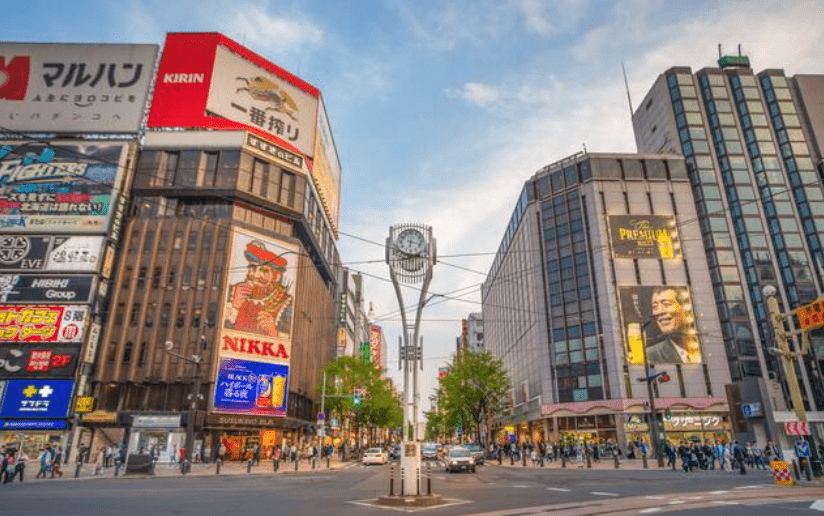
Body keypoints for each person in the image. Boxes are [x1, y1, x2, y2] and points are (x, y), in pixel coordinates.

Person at [225, 240, 292, 337]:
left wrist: (273, 332)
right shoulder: (233, 293)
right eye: (253, 268)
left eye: (264, 271)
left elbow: (293, 340)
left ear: (276, 277)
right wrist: (234, 306)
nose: (255, 275)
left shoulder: (286, 303)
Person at [645, 287, 701, 364]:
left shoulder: (706, 345)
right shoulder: (650, 355)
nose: (659, 312)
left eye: (666, 304)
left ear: (686, 307)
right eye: (655, 307)